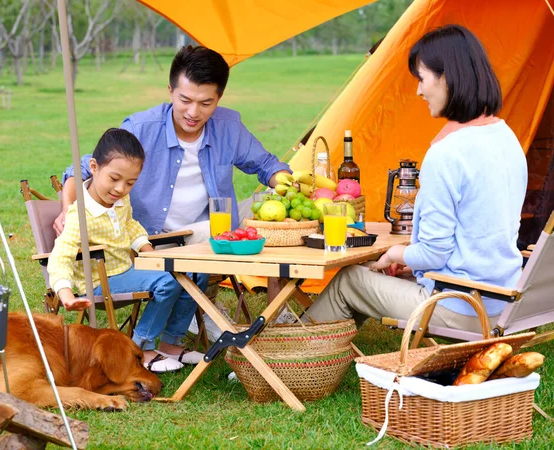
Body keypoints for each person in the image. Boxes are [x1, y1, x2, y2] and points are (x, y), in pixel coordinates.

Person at [54, 46, 290, 358]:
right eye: (185, 100)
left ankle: (277, 317)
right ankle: (212, 326)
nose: (194, 112)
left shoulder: (228, 126)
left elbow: (267, 165)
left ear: (219, 98)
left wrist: (285, 181)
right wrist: (70, 210)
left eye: (206, 103)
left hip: (210, 230)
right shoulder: (142, 127)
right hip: (155, 238)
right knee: (207, 249)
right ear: (170, 91)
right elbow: (83, 167)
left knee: (274, 212)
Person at [305, 25, 527, 332]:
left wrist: (392, 253)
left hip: (460, 306)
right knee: (372, 278)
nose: (418, 91)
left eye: (421, 79)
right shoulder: (506, 137)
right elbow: (477, 232)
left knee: (349, 280)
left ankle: (284, 362)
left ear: (447, 77)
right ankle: (316, 357)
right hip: (500, 300)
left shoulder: (448, 153)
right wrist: (411, 263)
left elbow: (434, 252)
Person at [47, 128, 209, 373]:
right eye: (114, 178)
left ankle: (170, 343)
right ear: (94, 166)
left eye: (130, 183)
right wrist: (66, 293)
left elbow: (130, 224)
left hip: (127, 270)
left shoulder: (120, 201)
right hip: (100, 281)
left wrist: (145, 247)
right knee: (168, 281)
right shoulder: (79, 214)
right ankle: (139, 349)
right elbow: (61, 255)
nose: (120, 188)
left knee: (195, 272)